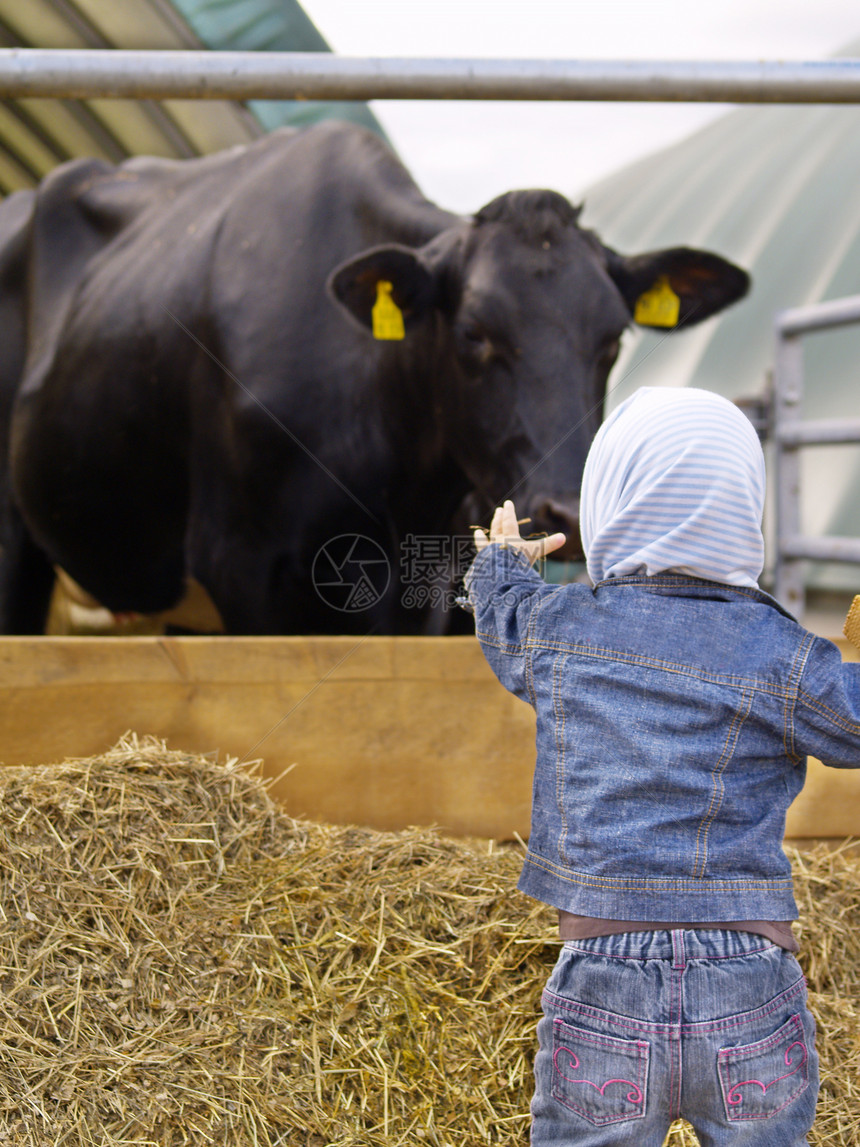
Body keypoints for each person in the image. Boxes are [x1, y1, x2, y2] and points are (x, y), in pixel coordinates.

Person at [465, 386, 860, 1146]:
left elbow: (505, 616)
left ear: (609, 500)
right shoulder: (779, 655)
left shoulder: (561, 629)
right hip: (749, 975)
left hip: (602, 971)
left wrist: (500, 565)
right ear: (747, 507)